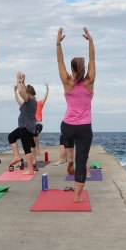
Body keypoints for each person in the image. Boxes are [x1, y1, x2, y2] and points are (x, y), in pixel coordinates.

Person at [56, 26, 96, 203]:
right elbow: (93, 60)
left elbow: (60, 62)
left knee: (66, 134)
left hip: (68, 127)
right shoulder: (89, 82)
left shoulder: (67, 83)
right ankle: (77, 197)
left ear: (72, 69)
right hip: (84, 128)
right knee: (82, 162)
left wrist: (58, 42)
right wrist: (91, 41)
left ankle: (68, 157)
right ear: (83, 68)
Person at [8, 72, 38, 175]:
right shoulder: (27, 102)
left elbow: (22, 91)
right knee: (11, 137)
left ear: (28, 93)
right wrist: (15, 91)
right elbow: (18, 98)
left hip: (26, 127)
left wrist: (18, 80)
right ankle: (16, 156)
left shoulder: (30, 101)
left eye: (26, 91)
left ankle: (30, 170)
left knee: (26, 148)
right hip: (23, 127)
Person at [32, 83, 49, 163]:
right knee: (32, 138)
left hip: (38, 123)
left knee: (35, 136)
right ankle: (34, 151)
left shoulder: (39, 104)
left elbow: (45, 98)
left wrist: (47, 90)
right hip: (32, 123)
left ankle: (37, 147)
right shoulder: (30, 105)